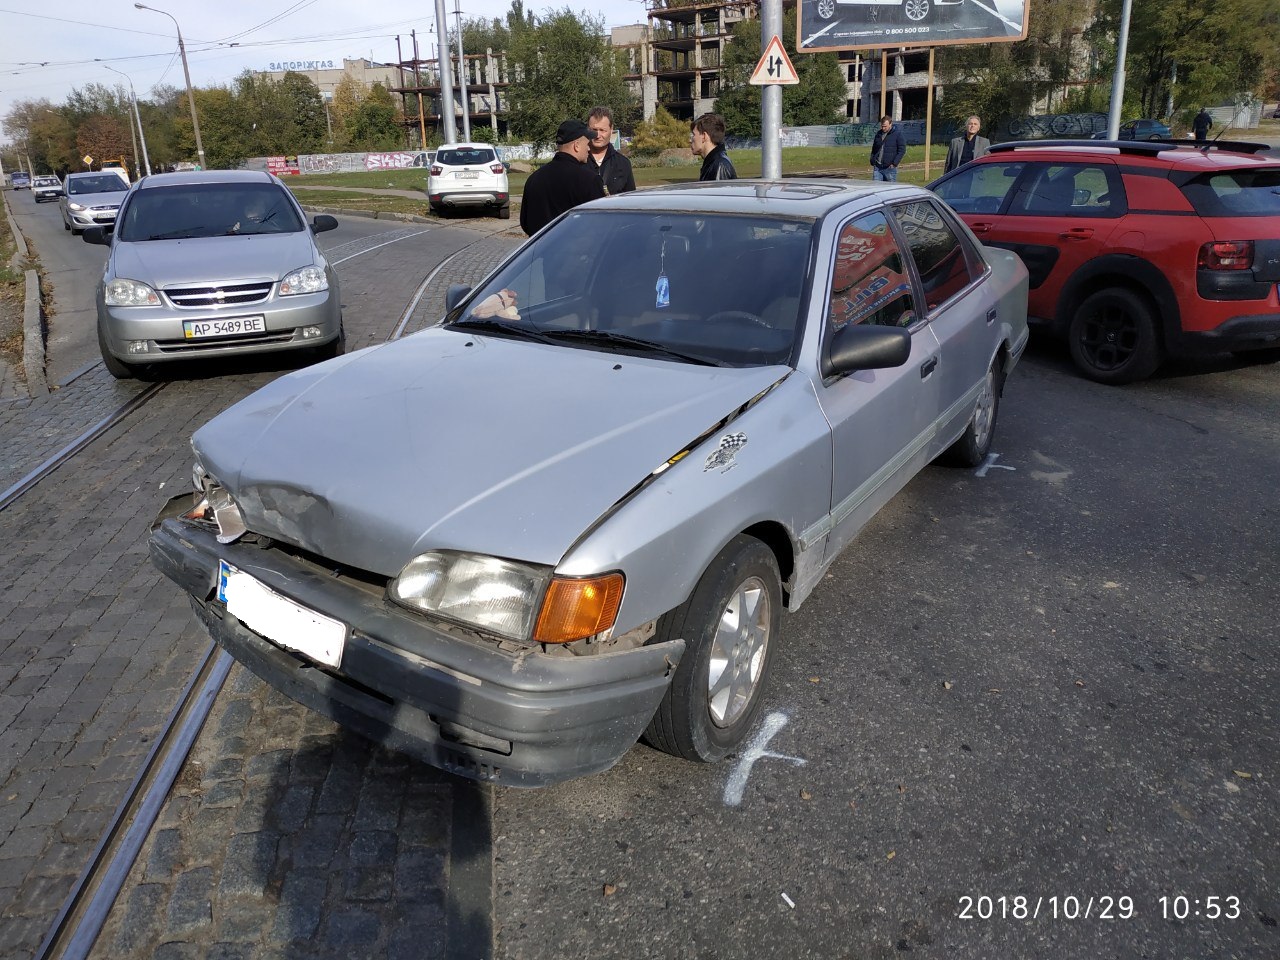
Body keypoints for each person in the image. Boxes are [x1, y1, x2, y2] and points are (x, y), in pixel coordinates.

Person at [519, 119, 605, 237]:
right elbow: (600, 224)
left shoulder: (534, 179)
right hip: (576, 247)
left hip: (541, 247)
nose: (589, 149)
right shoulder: (589, 180)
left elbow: (525, 223)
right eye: (587, 144)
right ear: (577, 145)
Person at [586, 106, 635, 195]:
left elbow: (630, 199)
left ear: (611, 130)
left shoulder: (623, 163)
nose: (598, 135)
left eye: (602, 130)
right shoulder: (577, 162)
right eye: (594, 130)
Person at [690, 113, 737, 181]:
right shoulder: (712, 163)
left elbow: (718, 187)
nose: (690, 140)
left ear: (704, 136)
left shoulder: (719, 165)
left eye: (693, 135)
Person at [869, 115, 906, 182]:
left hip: (890, 168)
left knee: (890, 187)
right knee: (876, 187)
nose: (883, 128)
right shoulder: (878, 134)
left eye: (885, 126)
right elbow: (874, 148)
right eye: (882, 126)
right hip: (877, 167)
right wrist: (872, 160)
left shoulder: (897, 134)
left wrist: (894, 163)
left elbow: (902, 150)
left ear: (890, 124)